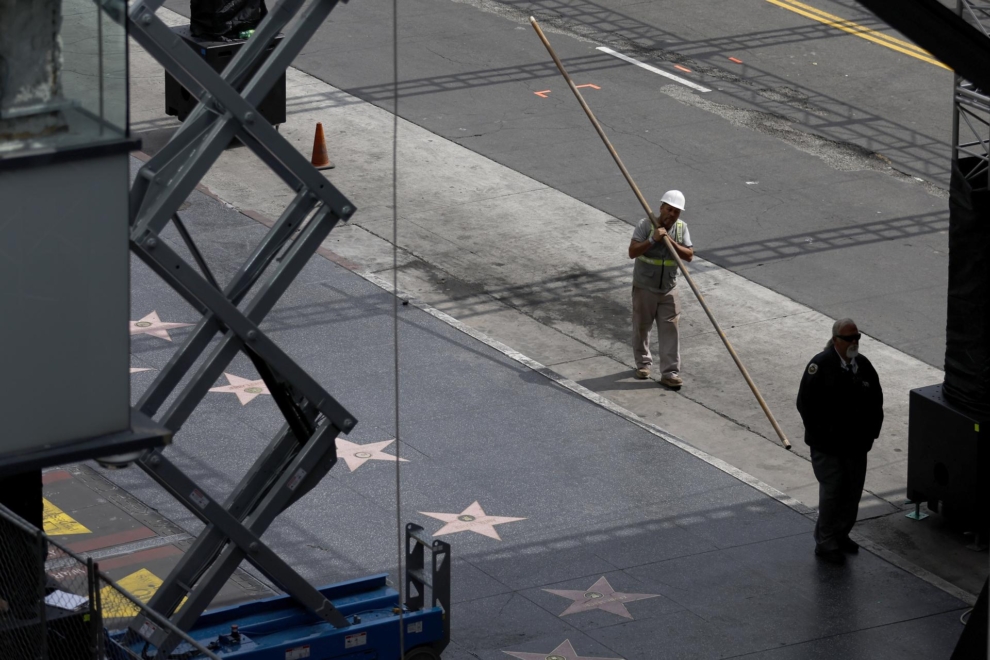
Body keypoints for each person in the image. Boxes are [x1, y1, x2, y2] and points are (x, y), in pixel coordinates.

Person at [796, 318, 884, 565]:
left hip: (856, 446)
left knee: (852, 493)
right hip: (830, 447)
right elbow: (806, 405)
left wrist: (871, 434)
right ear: (835, 340)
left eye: (857, 337)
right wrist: (824, 437)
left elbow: (876, 400)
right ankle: (825, 542)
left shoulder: (863, 365)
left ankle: (841, 535)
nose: (854, 342)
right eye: (849, 338)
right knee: (833, 493)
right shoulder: (820, 366)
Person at [628, 190, 694, 388]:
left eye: (676, 212)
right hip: (645, 287)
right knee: (642, 326)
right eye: (669, 210)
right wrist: (653, 240)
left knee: (670, 330)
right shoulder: (645, 225)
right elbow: (632, 252)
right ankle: (643, 364)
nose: (671, 215)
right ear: (661, 208)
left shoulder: (682, 229)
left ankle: (670, 372)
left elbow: (689, 255)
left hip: (668, 289)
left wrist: (670, 241)